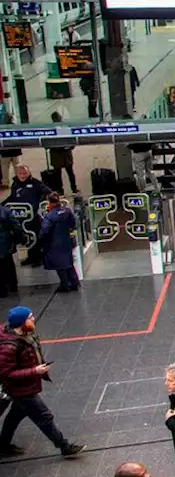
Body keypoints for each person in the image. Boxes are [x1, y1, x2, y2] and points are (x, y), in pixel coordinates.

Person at [0, 306, 83, 458]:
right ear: (21, 322)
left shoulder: (24, 334)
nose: (33, 319)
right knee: (44, 417)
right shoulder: (9, 346)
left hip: (25, 386)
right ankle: (64, 446)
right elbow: (6, 372)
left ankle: (3, 445)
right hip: (22, 389)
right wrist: (34, 371)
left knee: (15, 416)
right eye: (29, 317)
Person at [39, 193, 79, 292]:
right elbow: (74, 223)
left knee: (60, 265)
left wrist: (42, 241)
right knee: (69, 263)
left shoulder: (50, 216)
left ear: (49, 202)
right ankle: (74, 282)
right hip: (66, 241)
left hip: (54, 243)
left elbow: (44, 231)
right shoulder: (67, 211)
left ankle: (65, 285)